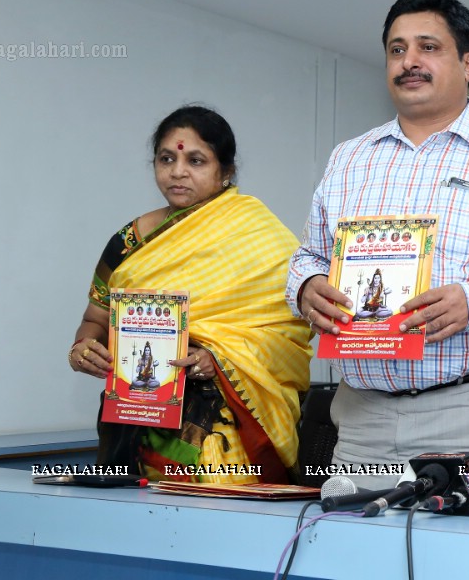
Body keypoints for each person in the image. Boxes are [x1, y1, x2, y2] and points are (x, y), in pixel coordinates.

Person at [288, 0, 469, 509]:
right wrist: (307, 288)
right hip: (361, 420)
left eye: (427, 47)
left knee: (463, 564)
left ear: (468, 64)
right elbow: (309, 255)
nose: (409, 62)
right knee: (354, 560)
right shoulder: (349, 159)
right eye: (396, 50)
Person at [69, 105, 312, 483]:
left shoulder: (259, 236)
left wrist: (217, 357)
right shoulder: (128, 242)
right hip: (136, 423)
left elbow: (290, 330)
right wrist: (83, 349)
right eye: (167, 158)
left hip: (224, 429)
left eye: (195, 160)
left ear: (226, 171)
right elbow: (96, 319)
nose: (177, 171)